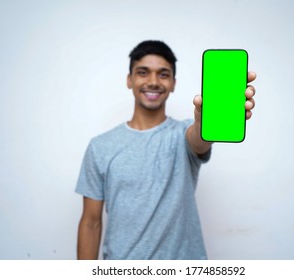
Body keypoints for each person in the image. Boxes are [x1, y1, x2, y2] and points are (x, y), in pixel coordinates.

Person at [75, 40, 256, 260]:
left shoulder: (182, 134)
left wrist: (203, 121)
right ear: (129, 80)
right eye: (143, 72)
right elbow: (90, 223)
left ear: (173, 83)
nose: (153, 82)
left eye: (163, 74)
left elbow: (198, 139)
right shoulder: (100, 147)